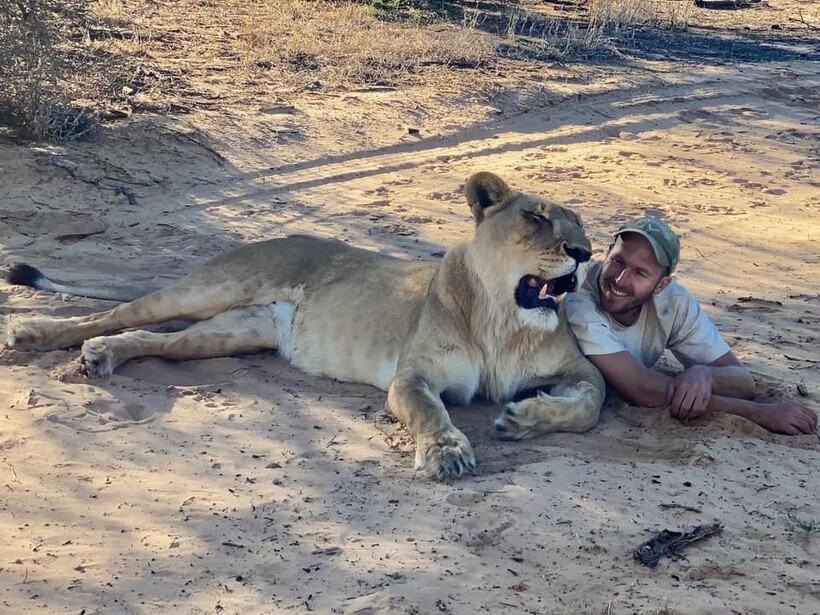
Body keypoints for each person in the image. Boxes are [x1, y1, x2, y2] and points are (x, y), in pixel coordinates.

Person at [564, 216, 817, 435]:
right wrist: (758, 413)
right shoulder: (577, 296)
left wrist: (705, 374)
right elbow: (640, 388)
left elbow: (743, 382)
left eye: (640, 273)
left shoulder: (675, 302)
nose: (620, 279)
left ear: (662, 284)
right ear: (607, 252)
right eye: (618, 261)